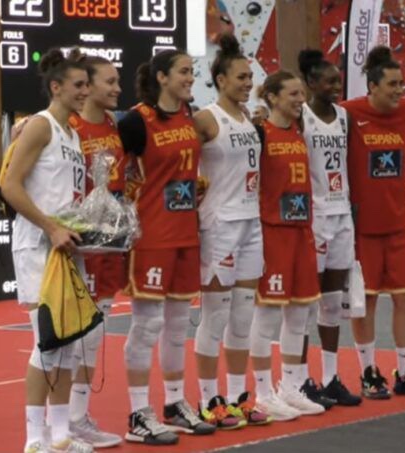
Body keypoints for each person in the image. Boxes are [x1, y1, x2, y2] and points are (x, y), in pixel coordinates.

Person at [117, 49, 216, 445]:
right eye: (184, 72)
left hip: (186, 234)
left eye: (192, 72)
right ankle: (138, 412)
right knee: (147, 325)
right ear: (161, 77)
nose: (191, 78)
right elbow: (113, 168)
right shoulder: (136, 121)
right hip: (152, 237)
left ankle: (174, 404)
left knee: (177, 325)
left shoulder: (191, 117)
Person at [0, 48, 93, 453]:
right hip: (39, 245)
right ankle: (34, 439)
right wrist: (51, 226)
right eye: (78, 85)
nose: (85, 91)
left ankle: (60, 437)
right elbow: (9, 186)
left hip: (66, 248)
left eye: (87, 85)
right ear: (56, 87)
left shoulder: (73, 134)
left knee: (68, 344)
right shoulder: (39, 126)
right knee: (49, 343)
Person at [340, 46, 405, 400]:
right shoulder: (348, 113)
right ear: (373, 86)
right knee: (365, 303)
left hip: (397, 225)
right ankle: (368, 372)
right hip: (362, 228)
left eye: (402, 84)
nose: (400, 90)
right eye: (393, 84)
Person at [191, 34, 271, 430]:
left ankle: (238, 397)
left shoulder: (249, 119)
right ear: (220, 80)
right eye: (241, 77)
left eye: (250, 77)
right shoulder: (206, 119)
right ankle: (209, 400)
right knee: (216, 316)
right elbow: (177, 159)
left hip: (251, 223)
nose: (247, 82)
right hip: (219, 224)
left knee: (242, 316)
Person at [248, 70, 325, 421]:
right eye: (293, 94)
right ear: (272, 97)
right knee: (266, 316)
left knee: (300, 314)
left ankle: (291, 387)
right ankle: (263, 393)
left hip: (302, 230)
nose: (300, 99)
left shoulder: (300, 130)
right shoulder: (259, 133)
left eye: (302, 93)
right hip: (273, 231)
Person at [65, 56, 126, 448]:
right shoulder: (68, 127)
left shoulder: (114, 125)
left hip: (110, 242)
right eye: (110, 81)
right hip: (78, 244)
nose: (117, 88)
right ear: (87, 85)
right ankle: (64, 420)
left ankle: (77, 417)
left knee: (95, 331)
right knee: (73, 335)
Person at [296, 49, 361, 407]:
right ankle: (300, 379)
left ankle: (331, 377)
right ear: (311, 82)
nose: (337, 86)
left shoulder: (344, 118)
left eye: (339, 81)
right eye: (329, 81)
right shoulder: (301, 117)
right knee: (308, 302)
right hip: (314, 215)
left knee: (334, 302)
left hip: (341, 213)